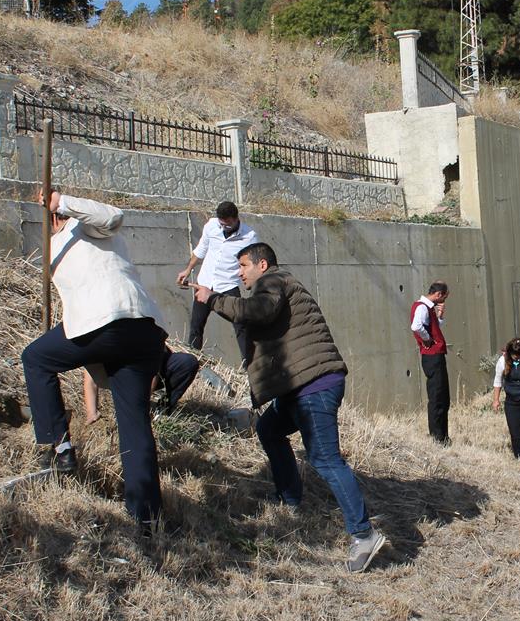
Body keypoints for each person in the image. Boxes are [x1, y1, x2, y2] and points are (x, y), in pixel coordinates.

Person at [196, 242, 387, 573]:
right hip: (299, 387)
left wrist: (212, 299)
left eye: (244, 266)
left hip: (313, 385)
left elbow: (257, 311)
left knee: (325, 460)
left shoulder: (272, 282)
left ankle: (364, 534)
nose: (240, 273)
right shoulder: (278, 283)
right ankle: (290, 500)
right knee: (268, 429)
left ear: (263, 265)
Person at [21, 192, 166, 531]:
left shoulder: (85, 227)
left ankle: (60, 446)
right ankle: (147, 518)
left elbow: (113, 216)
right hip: (141, 332)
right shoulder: (56, 246)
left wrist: (63, 201)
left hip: (110, 321)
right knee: (134, 423)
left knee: (36, 359)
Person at [176, 201, 258, 359]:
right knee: (196, 326)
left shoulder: (249, 236)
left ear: (236, 219)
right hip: (205, 283)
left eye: (227, 225)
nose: (223, 228)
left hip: (228, 286)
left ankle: (248, 365)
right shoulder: (211, 226)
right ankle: (193, 361)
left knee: (241, 326)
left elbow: (253, 265)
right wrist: (188, 269)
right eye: (221, 224)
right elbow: (201, 250)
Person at [84, 346, 200, 423]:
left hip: (158, 368)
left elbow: (153, 372)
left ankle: (163, 410)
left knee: (187, 363)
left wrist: (142, 406)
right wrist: (91, 413)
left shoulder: (140, 330)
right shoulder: (99, 340)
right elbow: (90, 378)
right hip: (127, 375)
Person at [411, 281, 451, 445]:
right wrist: (427, 340)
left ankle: (443, 435)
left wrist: (439, 316)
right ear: (439, 294)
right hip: (432, 356)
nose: (443, 302)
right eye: (444, 298)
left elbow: (432, 327)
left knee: (442, 396)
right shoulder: (422, 307)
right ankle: (437, 437)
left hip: (434, 355)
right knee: (437, 396)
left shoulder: (428, 308)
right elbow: (416, 326)